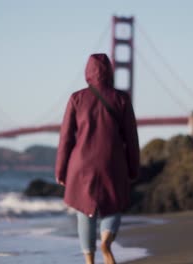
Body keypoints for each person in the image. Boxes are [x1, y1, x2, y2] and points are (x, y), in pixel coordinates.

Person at [55, 53, 140, 264]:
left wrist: (61, 170)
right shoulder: (122, 98)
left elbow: (65, 137)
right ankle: (106, 242)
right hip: (112, 162)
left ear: (88, 71)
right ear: (110, 71)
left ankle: (89, 261)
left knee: (85, 211)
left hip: (81, 164)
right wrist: (133, 169)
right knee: (113, 205)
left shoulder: (76, 98)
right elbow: (131, 138)